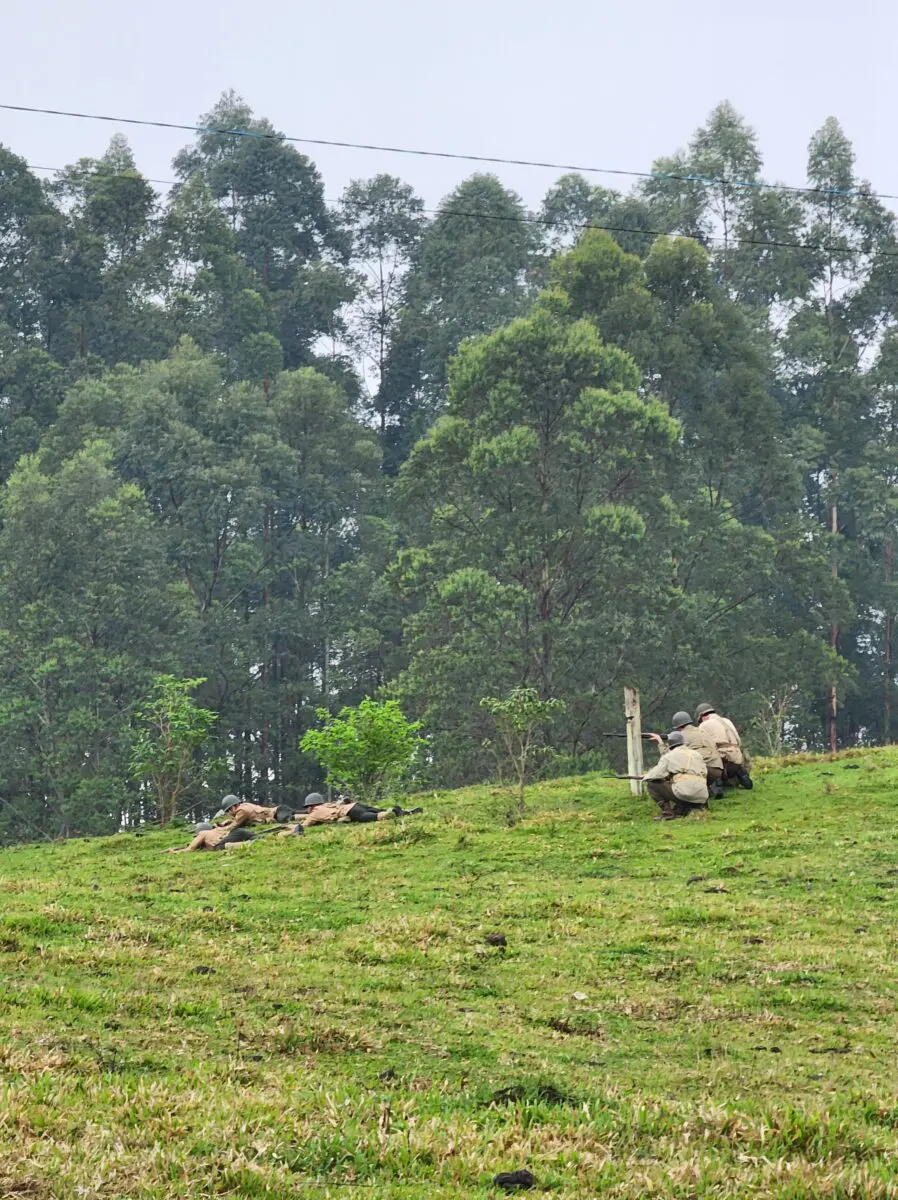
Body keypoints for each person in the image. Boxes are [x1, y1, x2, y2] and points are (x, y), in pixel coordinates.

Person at [642, 730, 709, 820]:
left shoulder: (669, 756)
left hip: (685, 794)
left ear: (670, 744)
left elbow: (656, 774)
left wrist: (645, 776)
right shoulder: (697, 754)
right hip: (702, 796)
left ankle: (668, 813)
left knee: (652, 784)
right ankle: (692, 807)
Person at [283, 791, 423, 832]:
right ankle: (405, 812)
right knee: (374, 809)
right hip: (355, 804)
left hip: (349, 811)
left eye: (307, 807)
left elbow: (305, 825)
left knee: (367, 817)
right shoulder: (327, 804)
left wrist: (289, 825)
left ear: (311, 805)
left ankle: (389, 814)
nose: (307, 809)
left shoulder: (314, 813)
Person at [661, 711, 725, 798]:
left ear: (678, 726)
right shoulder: (702, 731)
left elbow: (670, 756)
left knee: (677, 767)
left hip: (703, 771)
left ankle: (687, 797)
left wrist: (660, 743)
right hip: (718, 771)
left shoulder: (682, 736)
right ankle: (711, 787)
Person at [693, 704, 753, 789]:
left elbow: (703, 745)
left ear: (702, 716)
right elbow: (738, 741)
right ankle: (741, 774)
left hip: (723, 761)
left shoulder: (704, 725)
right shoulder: (727, 721)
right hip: (739, 758)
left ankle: (716, 783)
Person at [212, 794, 295, 828]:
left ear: (235, 806)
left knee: (290, 819)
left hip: (278, 812)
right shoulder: (244, 807)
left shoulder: (242, 810)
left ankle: (308, 816)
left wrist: (219, 829)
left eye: (229, 809)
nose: (229, 812)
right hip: (278, 812)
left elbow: (234, 826)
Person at [164, 825, 256, 853]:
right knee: (259, 838)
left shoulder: (202, 833)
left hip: (235, 835)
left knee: (218, 847)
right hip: (240, 832)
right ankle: (254, 841)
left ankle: (247, 844)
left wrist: (174, 852)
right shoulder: (215, 831)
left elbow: (191, 848)